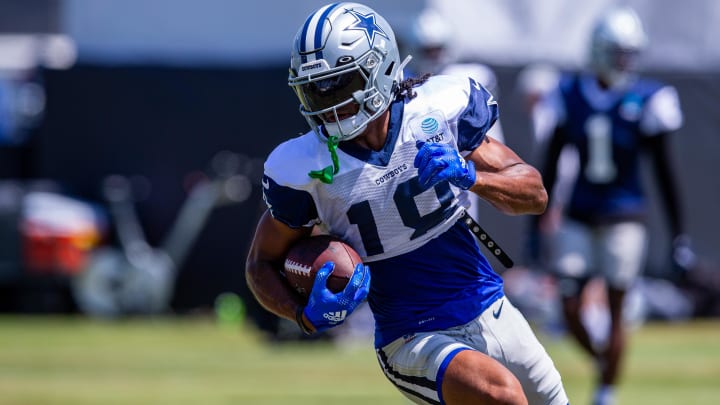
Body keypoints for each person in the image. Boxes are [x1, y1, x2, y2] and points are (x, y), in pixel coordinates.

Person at [245, 3, 569, 405]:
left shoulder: (438, 109)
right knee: (502, 397)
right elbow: (261, 262)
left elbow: (535, 195)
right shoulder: (303, 168)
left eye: (338, 85)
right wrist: (303, 315)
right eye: (315, 89)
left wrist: (472, 177)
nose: (326, 103)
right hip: (411, 334)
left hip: (489, 306)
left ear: (380, 69)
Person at [533, 6, 692, 405]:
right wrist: (535, 225)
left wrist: (679, 234)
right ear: (599, 51)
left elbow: (665, 172)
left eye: (629, 53)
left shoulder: (649, 98)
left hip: (625, 214)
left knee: (618, 309)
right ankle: (606, 364)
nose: (625, 61)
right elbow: (549, 166)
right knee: (567, 305)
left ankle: (606, 392)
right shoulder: (568, 93)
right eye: (618, 52)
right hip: (579, 212)